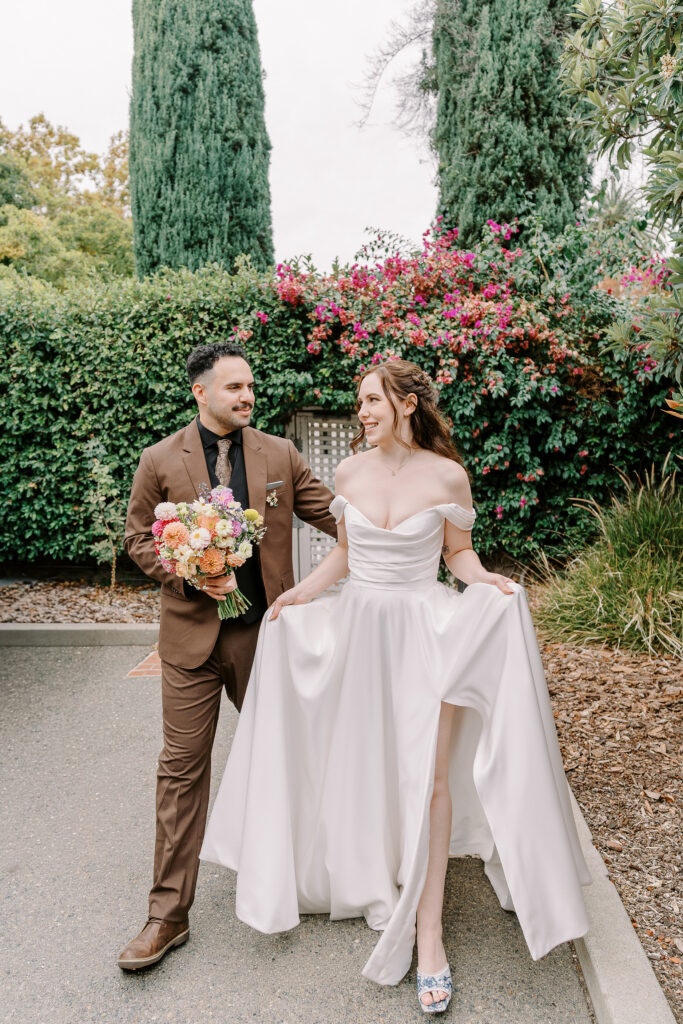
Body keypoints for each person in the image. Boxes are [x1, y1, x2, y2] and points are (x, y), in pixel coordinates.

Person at [200, 359, 591, 1013]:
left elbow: (456, 556)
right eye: (359, 402)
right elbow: (346, 554)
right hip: (357, 631)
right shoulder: (349, 472)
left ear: (407, 403)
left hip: (422, 633)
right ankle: (374, 871)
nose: (363, 412)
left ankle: (428, 933)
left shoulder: (447, 476)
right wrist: (299, 594)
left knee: (430, 777)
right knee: (367, 763)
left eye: (372, 400)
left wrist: (487, 580)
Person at [118, 342, 337, 971]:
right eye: (234, 387)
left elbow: (335, 517)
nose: (247, 396)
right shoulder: (160, 458)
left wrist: (410, 523)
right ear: (202, 393)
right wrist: (189, 574)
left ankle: (315, 876)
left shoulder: (280, 454)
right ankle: (167, 915)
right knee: (181, 772)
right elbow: (138, 536)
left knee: (294, 750)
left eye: (250, 386)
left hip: (263, 636)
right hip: (190, 642)